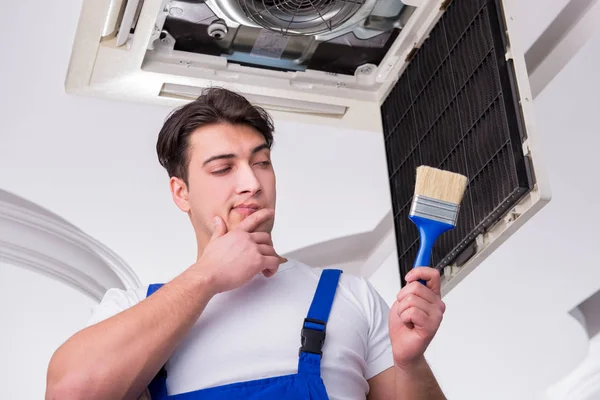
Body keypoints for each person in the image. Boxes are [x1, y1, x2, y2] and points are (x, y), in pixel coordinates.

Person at [45, 87, 447, 400]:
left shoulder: (350, 296)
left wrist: (409, 364)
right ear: (181, 193)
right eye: (223, 168)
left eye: (261, 162)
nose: (252, 183)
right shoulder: (132, 308)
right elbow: (68, 393)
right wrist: (206, 277)